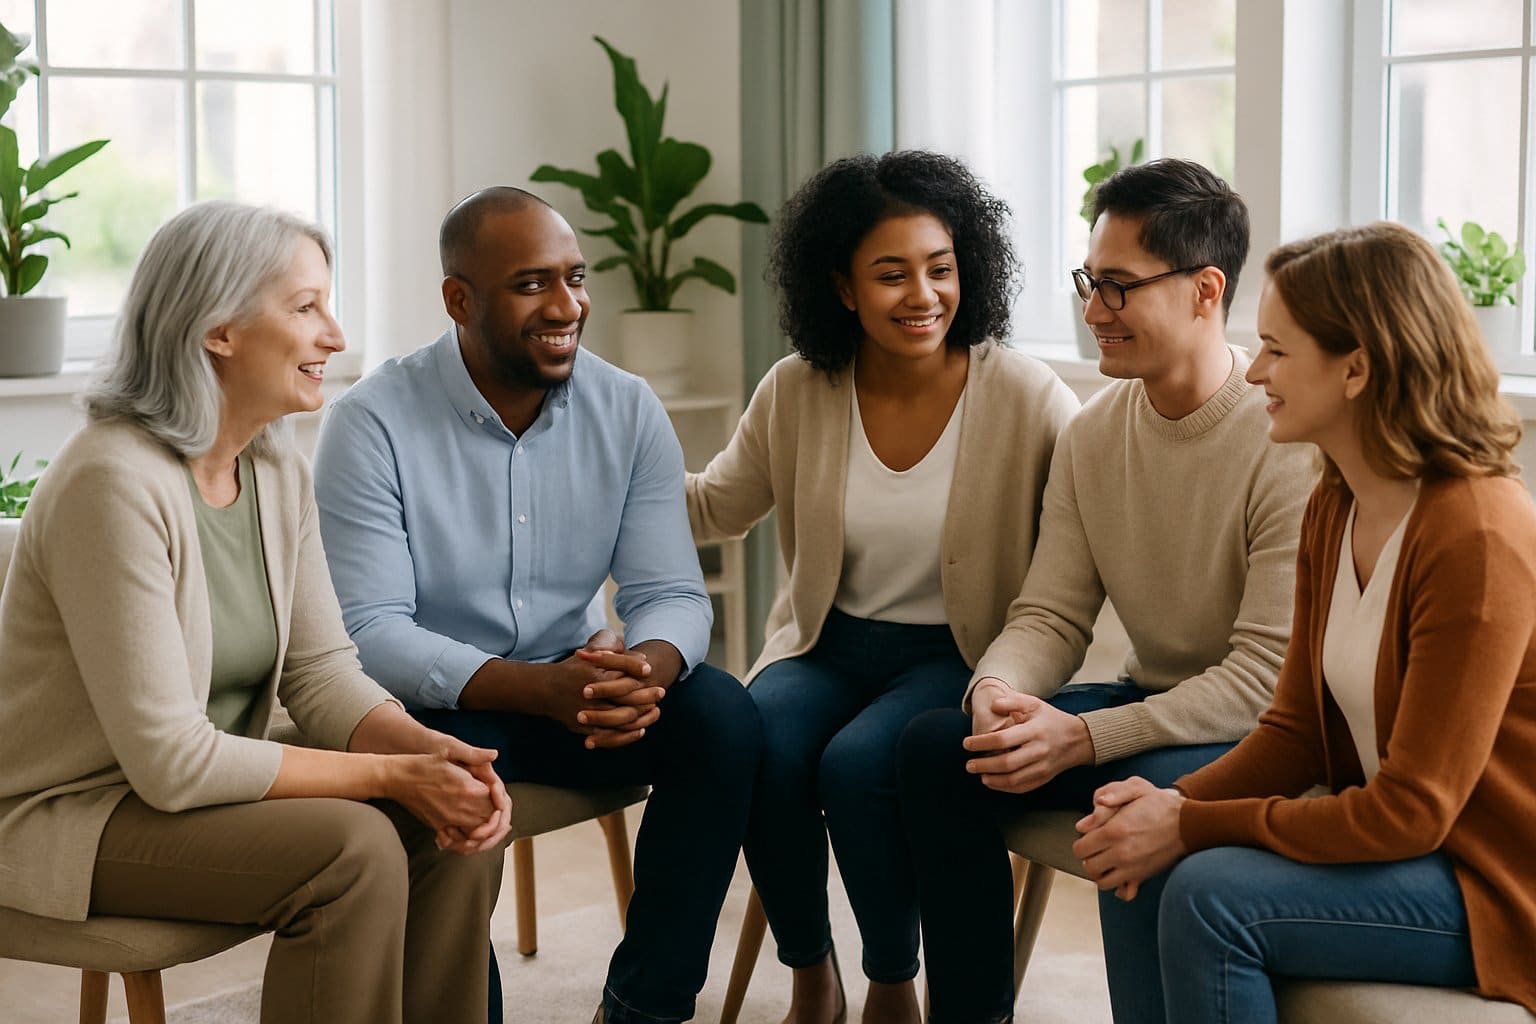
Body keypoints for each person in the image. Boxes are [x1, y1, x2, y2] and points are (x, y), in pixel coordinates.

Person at [0, 201, 512, 1024]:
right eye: (305, 307)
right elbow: (170, 761)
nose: (335, 336)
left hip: (193, 789)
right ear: (219, 330)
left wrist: (429, 753)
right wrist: (387, 775)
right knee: (354, 848)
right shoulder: (112, 481)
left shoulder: (271, 463)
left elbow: (319, 673)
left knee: (447, 824)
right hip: (74, 813)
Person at [312, 186, 762, 1024]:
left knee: (726, 720)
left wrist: (643, 669)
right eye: (531, 285)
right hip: (438, 708)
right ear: (459, 299)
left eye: (576, 277)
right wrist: (535, 689)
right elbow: (368, 634)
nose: (568, 307)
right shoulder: (370, 424)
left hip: (579, 689)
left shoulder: (626, 409)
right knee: (448, 796)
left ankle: (643, 1008)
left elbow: (669, 593)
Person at [1069, 220, 1536, 1023]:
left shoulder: (1478, 536)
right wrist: (1165, 808)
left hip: (1493, 877)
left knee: (1212, 895)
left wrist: (1192, 820)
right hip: (1414, 851)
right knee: (1134, 851)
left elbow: (1413, 811)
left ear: (1356, 366)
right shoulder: (1336, 501)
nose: (1253, 373)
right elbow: (1295, 733)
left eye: (1277, 351)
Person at [897, 158, 1316, 1023]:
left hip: (1257, 731)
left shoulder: (1286, 442)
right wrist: (998, 692)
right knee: (938, 749)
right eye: (1091, 282)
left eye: (1119, 288)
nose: (1093, 313)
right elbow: (1050, 613)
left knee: (1117, 801)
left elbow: (1263, 680)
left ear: (1206, 291)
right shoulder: (1092, 438)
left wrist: (1085, 738)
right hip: (1152, 706)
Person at [687, 150, 1080, 1024]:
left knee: (860, 764)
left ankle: (893, 980)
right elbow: (718, 504)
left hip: (959, 651)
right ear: (843, 287)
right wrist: (592, 485)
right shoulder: (796, 388)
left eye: (940, 269)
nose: (923, 295)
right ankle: (810, 971)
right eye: (891, 274)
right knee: (757, 742)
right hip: (827, 642)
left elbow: (1091, 522)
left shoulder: (1024, 394)